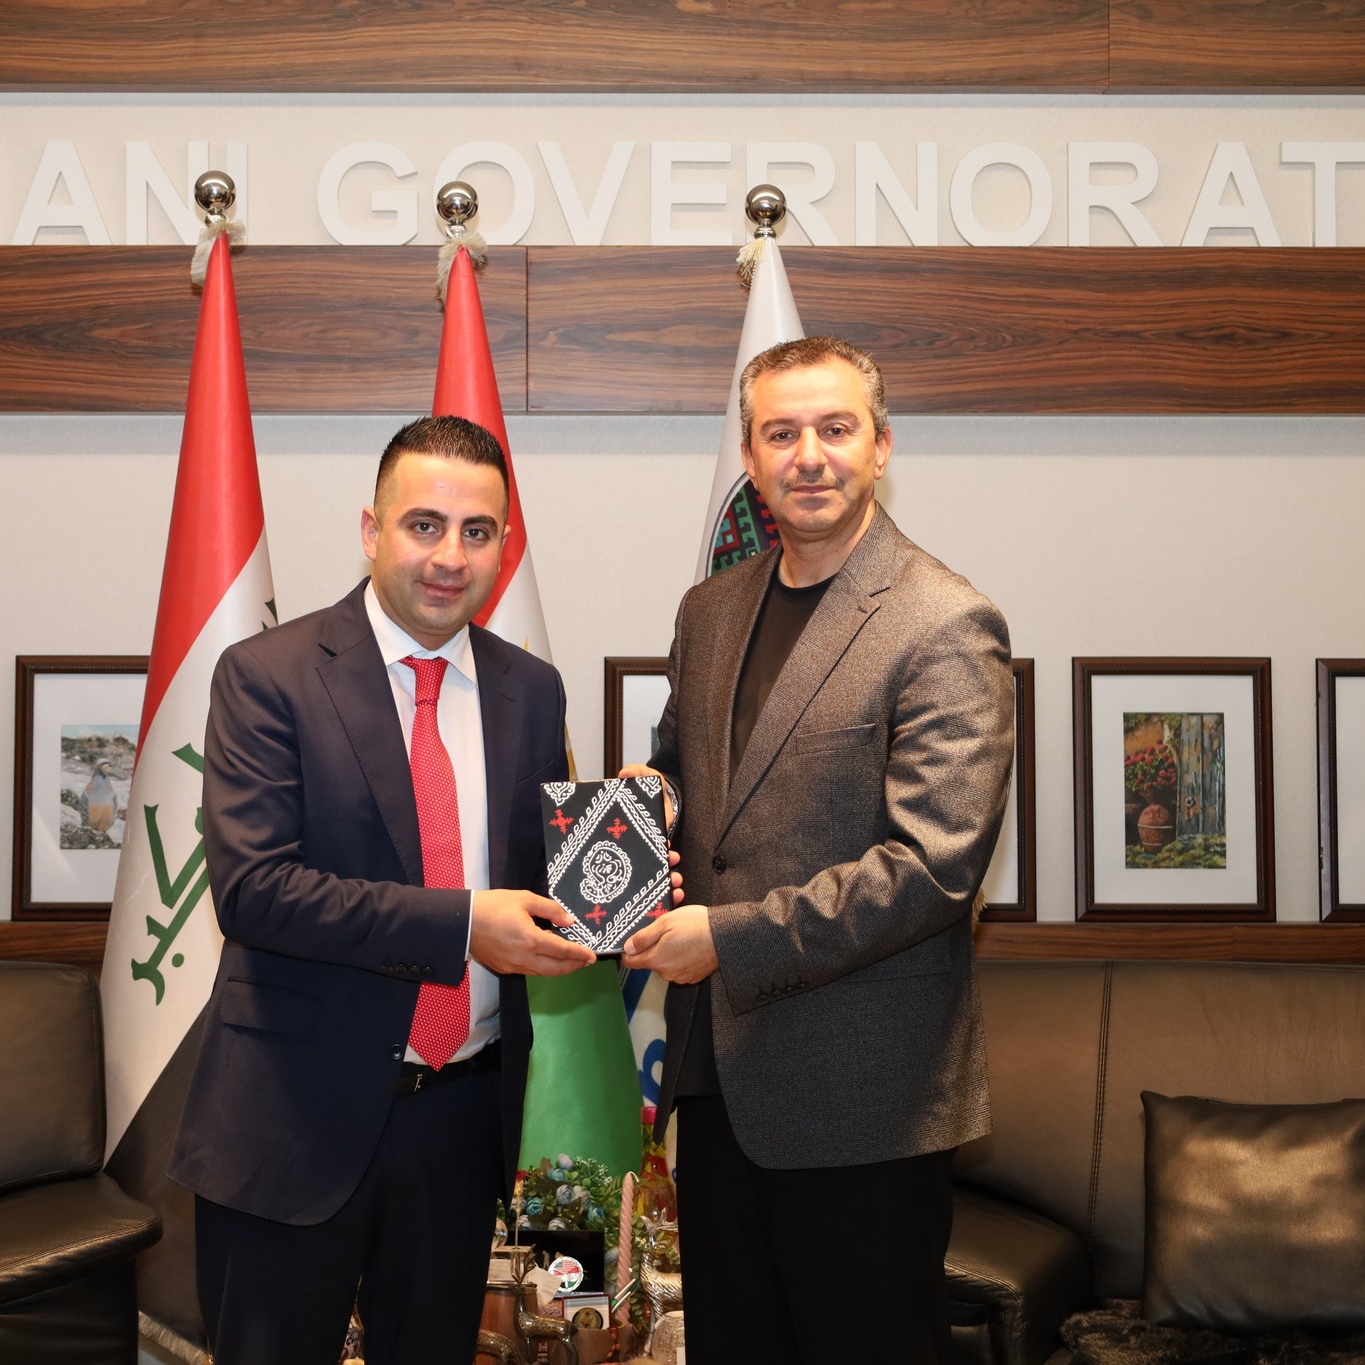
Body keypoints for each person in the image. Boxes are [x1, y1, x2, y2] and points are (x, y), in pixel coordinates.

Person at [169, 415, 600, 1365]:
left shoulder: (533, 690)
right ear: (372, 530)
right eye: (424, 525)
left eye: (477, 531)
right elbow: (257, 891)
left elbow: (535, 885)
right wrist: (465, 925)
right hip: (293, 1119)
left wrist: (625, 869)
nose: (450, 557)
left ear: (504, 546)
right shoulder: (268, 675)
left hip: (462, 1121)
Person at [621, 337, 1014, 1365]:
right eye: (780, 433)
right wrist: (641, 807)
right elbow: (687, 774)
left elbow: (931, 867)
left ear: (880, 446)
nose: (808, 455)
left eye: (834, 429)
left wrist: (727, 940)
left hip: (864, 1101)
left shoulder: (943, 621)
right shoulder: (711, 611)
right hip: (719, 1082)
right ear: (750, 460)